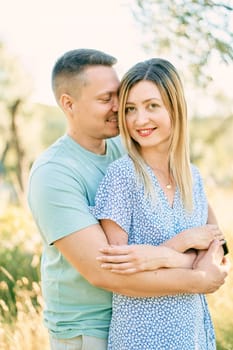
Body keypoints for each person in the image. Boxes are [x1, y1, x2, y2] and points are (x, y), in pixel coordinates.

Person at [27, 49, 229, 350]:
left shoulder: (131, 148)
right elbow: (108, 271)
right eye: (106, 98)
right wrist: (199, 277)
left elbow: (215, 242)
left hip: (171, 320)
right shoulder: (54, 173)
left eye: (119, 95)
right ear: (68, 104)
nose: (120, 108)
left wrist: (167, 256)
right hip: (89, 329)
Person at [91, 58, 229, 349]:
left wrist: (162, 257)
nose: (140, 120)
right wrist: (184, 242)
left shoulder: (193, 177)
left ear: (174, 108)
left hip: (193, 334)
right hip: (140, 336)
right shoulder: (122, 176)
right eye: (130, 109)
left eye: (152, 105)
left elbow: (220, 255)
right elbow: (121, 271)